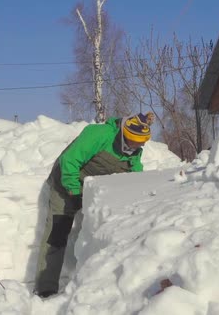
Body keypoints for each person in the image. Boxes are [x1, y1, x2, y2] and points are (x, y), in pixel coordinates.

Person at [33, 111, 154, 298]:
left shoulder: (136, 148)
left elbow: (134, 174)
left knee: (98, 235)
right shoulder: (99, 134)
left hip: (91, 192)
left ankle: (91, 287)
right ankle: (45, 288)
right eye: (133, 141)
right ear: (124, 133)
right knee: (56, 234)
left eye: (141, 143)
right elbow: (70, 160)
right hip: (65, 185)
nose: (137, 146)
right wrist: (73, 189)